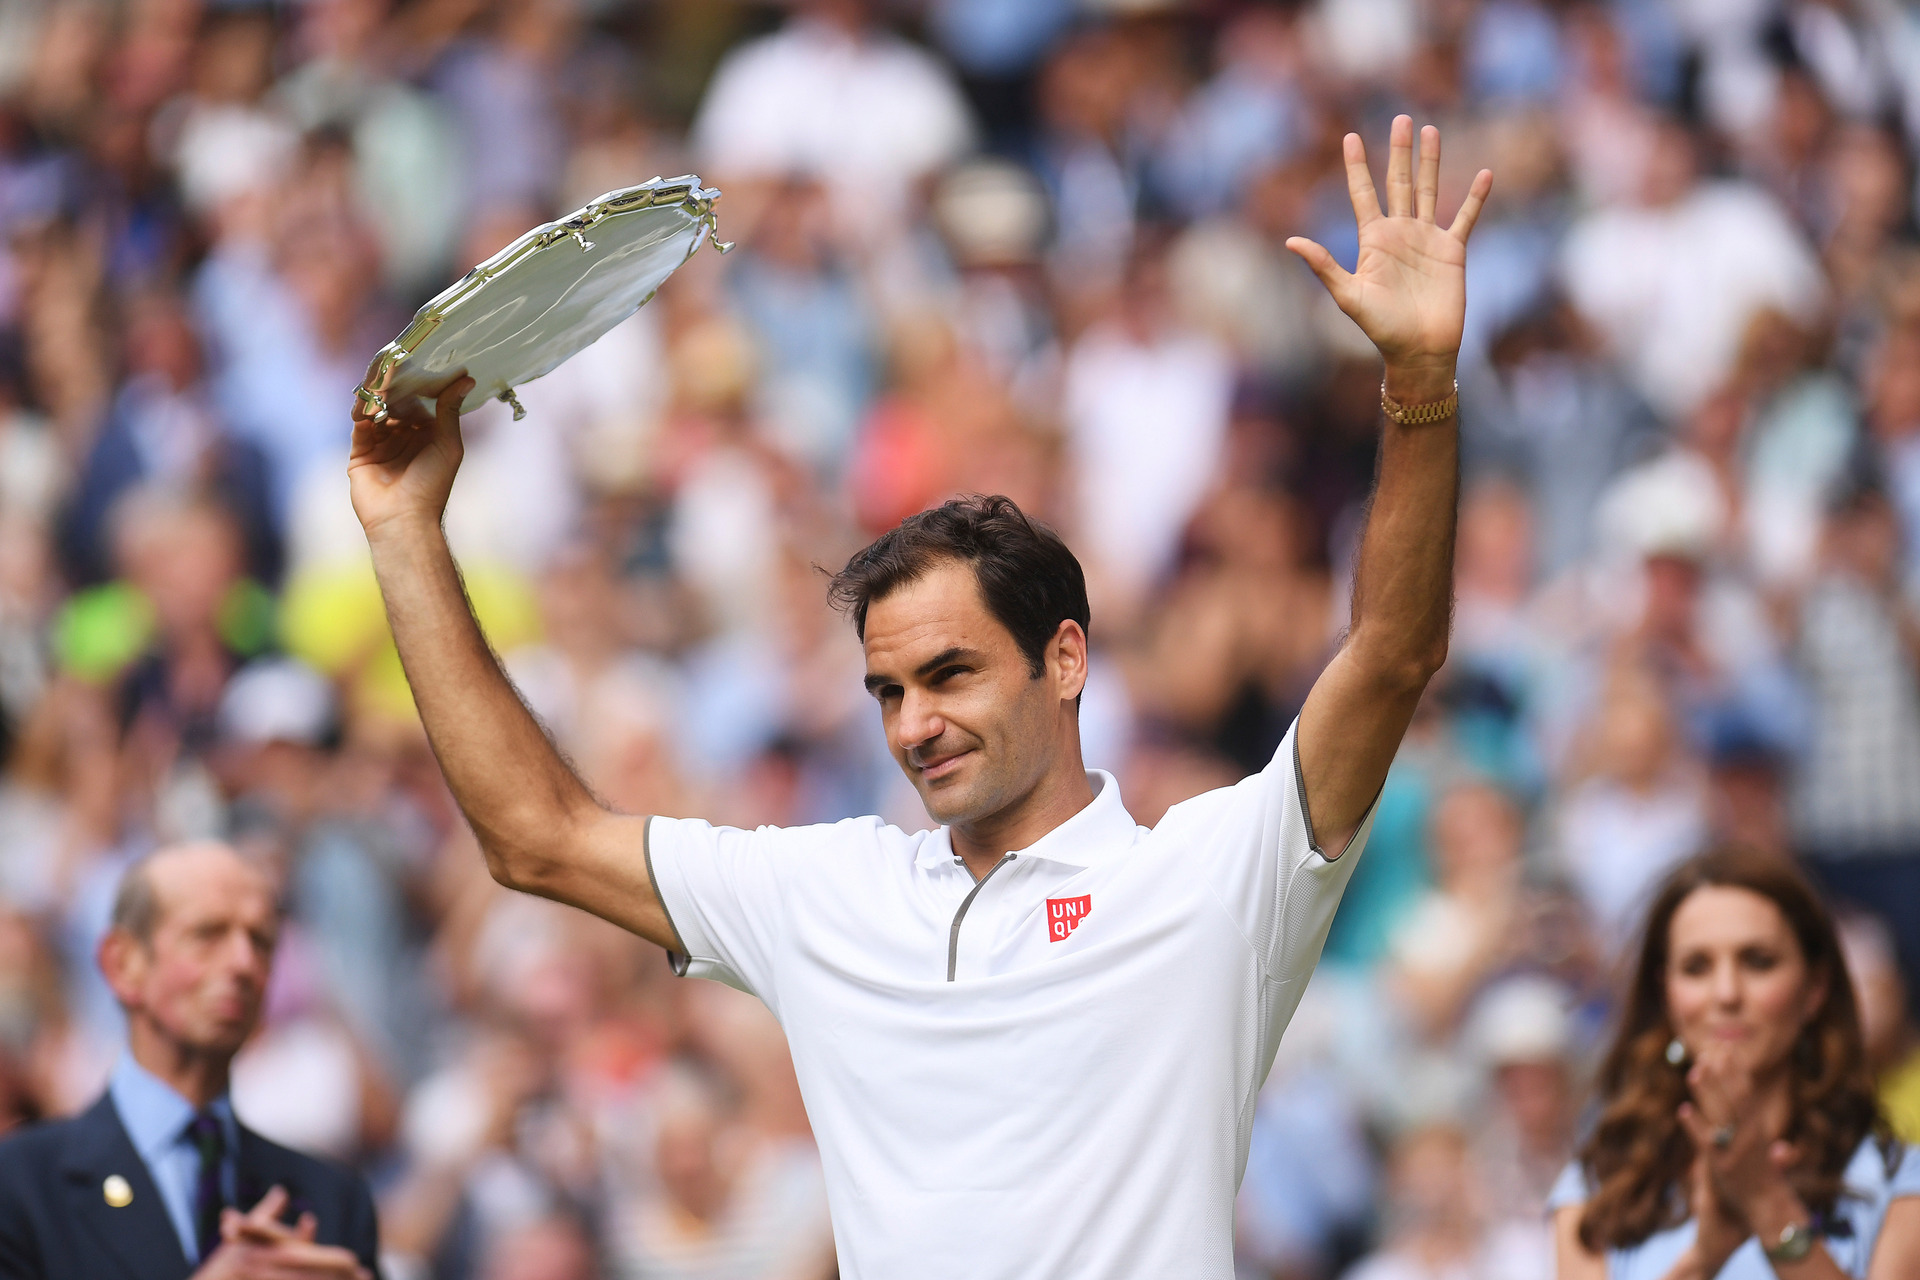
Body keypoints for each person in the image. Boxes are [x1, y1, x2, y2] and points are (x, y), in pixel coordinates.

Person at [347, 118, 1490, 1279]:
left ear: (1065, 659)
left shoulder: (1212, 877)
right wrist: (402, 529)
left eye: (949, 674)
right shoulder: (830, 894)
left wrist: (1417, 383)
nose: (913, 724)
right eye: (887, 689)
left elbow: (1394, 651)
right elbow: (536, 837)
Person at [0, 842, 379, 1280]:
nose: (243, 963)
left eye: (261, 941)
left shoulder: (332, 1200)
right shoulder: (22, 1187)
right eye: (207, 934)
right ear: (123, 965)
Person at [1550, 847, 1920, 1279]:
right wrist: (1703, 1260)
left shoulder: (1896, 1180)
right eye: (1696, 967)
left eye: (1758, 962)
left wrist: (1767, 1204)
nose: (1726, 993)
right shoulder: (1604, 1185)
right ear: (1665, 993)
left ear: (1815, 986)